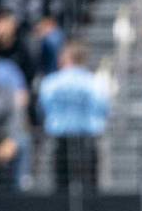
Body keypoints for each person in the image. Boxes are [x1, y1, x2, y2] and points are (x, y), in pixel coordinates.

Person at [38, 41, 109, 190]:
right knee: (89, 186)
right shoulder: (95, 82)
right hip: (87, 139)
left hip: (60, 139)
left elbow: (43, 108)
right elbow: (103, 109)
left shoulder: (50, 82)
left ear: (65, 57)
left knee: (60, 187)